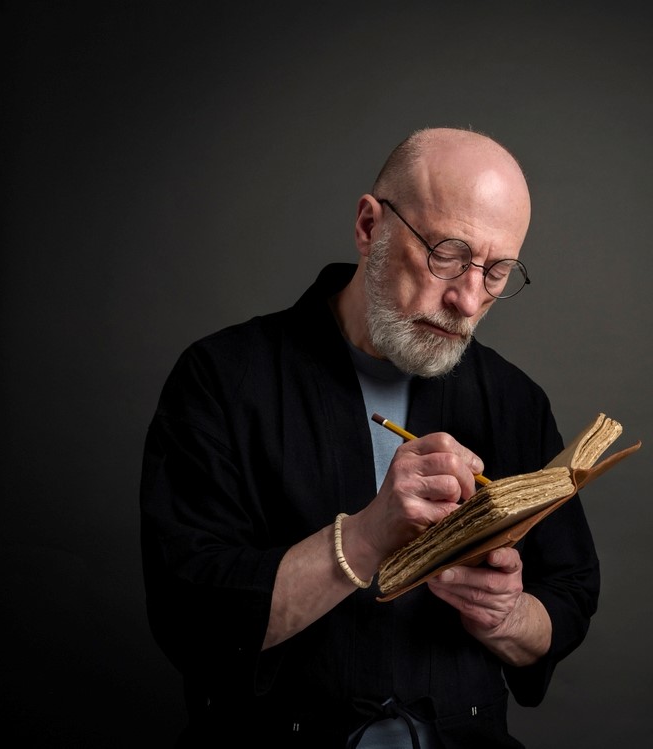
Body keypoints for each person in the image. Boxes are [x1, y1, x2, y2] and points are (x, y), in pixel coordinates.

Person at [140, 127, 600, 748]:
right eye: (447, 253)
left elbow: (568, 599)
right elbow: (189, 614)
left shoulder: (515, 400)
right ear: (368, 227)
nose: (468, 300)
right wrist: (363, 537)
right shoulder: (223, 378)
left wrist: (509, 615)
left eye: (497, 272)